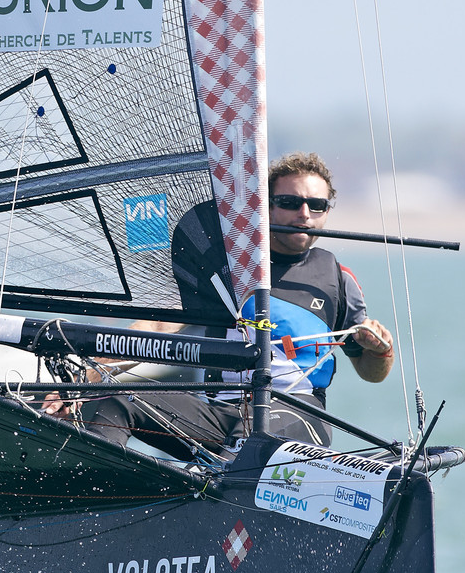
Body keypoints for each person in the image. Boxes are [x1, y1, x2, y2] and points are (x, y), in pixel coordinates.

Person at [48, 152, 395, 460]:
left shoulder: (337, 277)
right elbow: (156, 330)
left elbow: (372, 372)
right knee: (114, 402)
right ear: (266, 206)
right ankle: (96, 496)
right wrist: (81, 382)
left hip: (299, 414)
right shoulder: (229, 265)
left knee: (251, 440)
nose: (304, 214)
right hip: (218, 412)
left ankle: (223, 495)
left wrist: (380, 351)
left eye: (316, 205)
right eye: (289, 202)